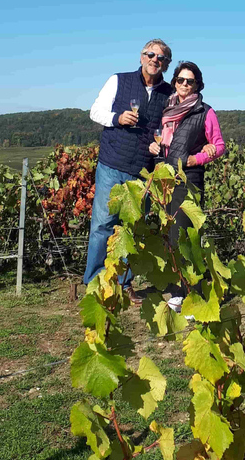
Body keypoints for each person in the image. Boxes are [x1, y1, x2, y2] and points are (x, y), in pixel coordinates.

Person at [84, 39, 173, 302]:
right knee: (103, 224)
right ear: (142, 56)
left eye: (161, 58)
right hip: (112, 164)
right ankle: (96, 282)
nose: (155, 60)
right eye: (150, 54)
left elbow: (168, 127)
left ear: (166, 64)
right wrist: (117, 118)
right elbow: (95, 111)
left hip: (141, 170)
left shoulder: (168, 93)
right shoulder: (118, 80)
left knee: (132, 228)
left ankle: (124, 283)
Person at [148, 61, 225, 312]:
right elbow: (160, 140)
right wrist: (154, 147)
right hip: (166, 176)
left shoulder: (205, 111)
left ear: (197, 85)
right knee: (171, 235)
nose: (184, 85)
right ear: (175, 82)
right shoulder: (167, 108)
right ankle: (182, 290)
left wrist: (198, 158)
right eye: (180, 80)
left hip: (190, 178)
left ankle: (192, 293)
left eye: (189, 81)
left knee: (186, 236)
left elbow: (219, 146)